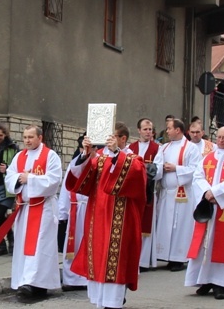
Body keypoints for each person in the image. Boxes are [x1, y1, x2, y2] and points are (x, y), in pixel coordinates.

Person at [65, 124, 146, 309]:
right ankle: (100, 301)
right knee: (98, 256)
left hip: (121, 218)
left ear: (122, 139)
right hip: (97, 217)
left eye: (113, 137)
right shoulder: (99, 159)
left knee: (116, 258)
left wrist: (117, 153)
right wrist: (86, 154)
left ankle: (114, 302)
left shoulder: (133, 158)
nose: (108, 141)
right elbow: (79, 178)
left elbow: (137, 175)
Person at [0, 125, 62, 299]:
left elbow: (54, 180)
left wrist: (30, 178)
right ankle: (24, 281)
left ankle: (37, 284)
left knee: (40, 248)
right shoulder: (20, 156)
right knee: (23, 247)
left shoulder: (50, 156)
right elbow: (10, 177)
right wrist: (19, 178)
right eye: (25, 137)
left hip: (43, 210)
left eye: (30, 137)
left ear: (40, 138)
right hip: (24, 210)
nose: (27, 140)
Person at [185, 126, 224, 300]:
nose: (221, 140)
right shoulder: (207, 158)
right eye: (219, 137)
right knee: (205, 244)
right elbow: (198, 177)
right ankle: (205, 280)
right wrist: (206, 192)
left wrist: (216, 193)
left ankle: (221, 283)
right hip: (208, 206)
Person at [154, 118, 202, 271]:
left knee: (180, 225)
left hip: (182, 193)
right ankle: (166, 254)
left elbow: (196, 169)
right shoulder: (164, 147)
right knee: (165, 225)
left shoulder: (191, 148)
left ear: (178, 130)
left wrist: (177, 168)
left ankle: (178, 258)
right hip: (166, 193)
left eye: (169, 128)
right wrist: (158, 168)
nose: (167, 131)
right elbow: (157, 165)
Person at [128, 118, 160, 272]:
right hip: (134, 191)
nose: (148, 132)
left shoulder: (157, 149)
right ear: (138, 130)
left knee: (146, 225)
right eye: (145, 129)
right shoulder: (130, 148)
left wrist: (146, 170)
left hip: (148, 190)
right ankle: (132, 257)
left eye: (150, 129)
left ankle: (143, 260)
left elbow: (158, 169)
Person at [58, 145, 89, 291]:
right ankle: (71, 279)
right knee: (73, 245)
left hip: (91, 209)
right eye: (83, 147)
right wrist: (62, 212)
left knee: (88, 244)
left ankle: (86, 278)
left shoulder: (98, 162)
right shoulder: (75, 163)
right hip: (75, 209)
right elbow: (66, 187)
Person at [0, 123, 18, 256]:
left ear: (5, 135)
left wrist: (7, 168)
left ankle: (11, 241)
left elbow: (18, 166)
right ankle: (1, 245)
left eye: (0, 135)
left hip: (5, 187)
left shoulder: (12, 148)